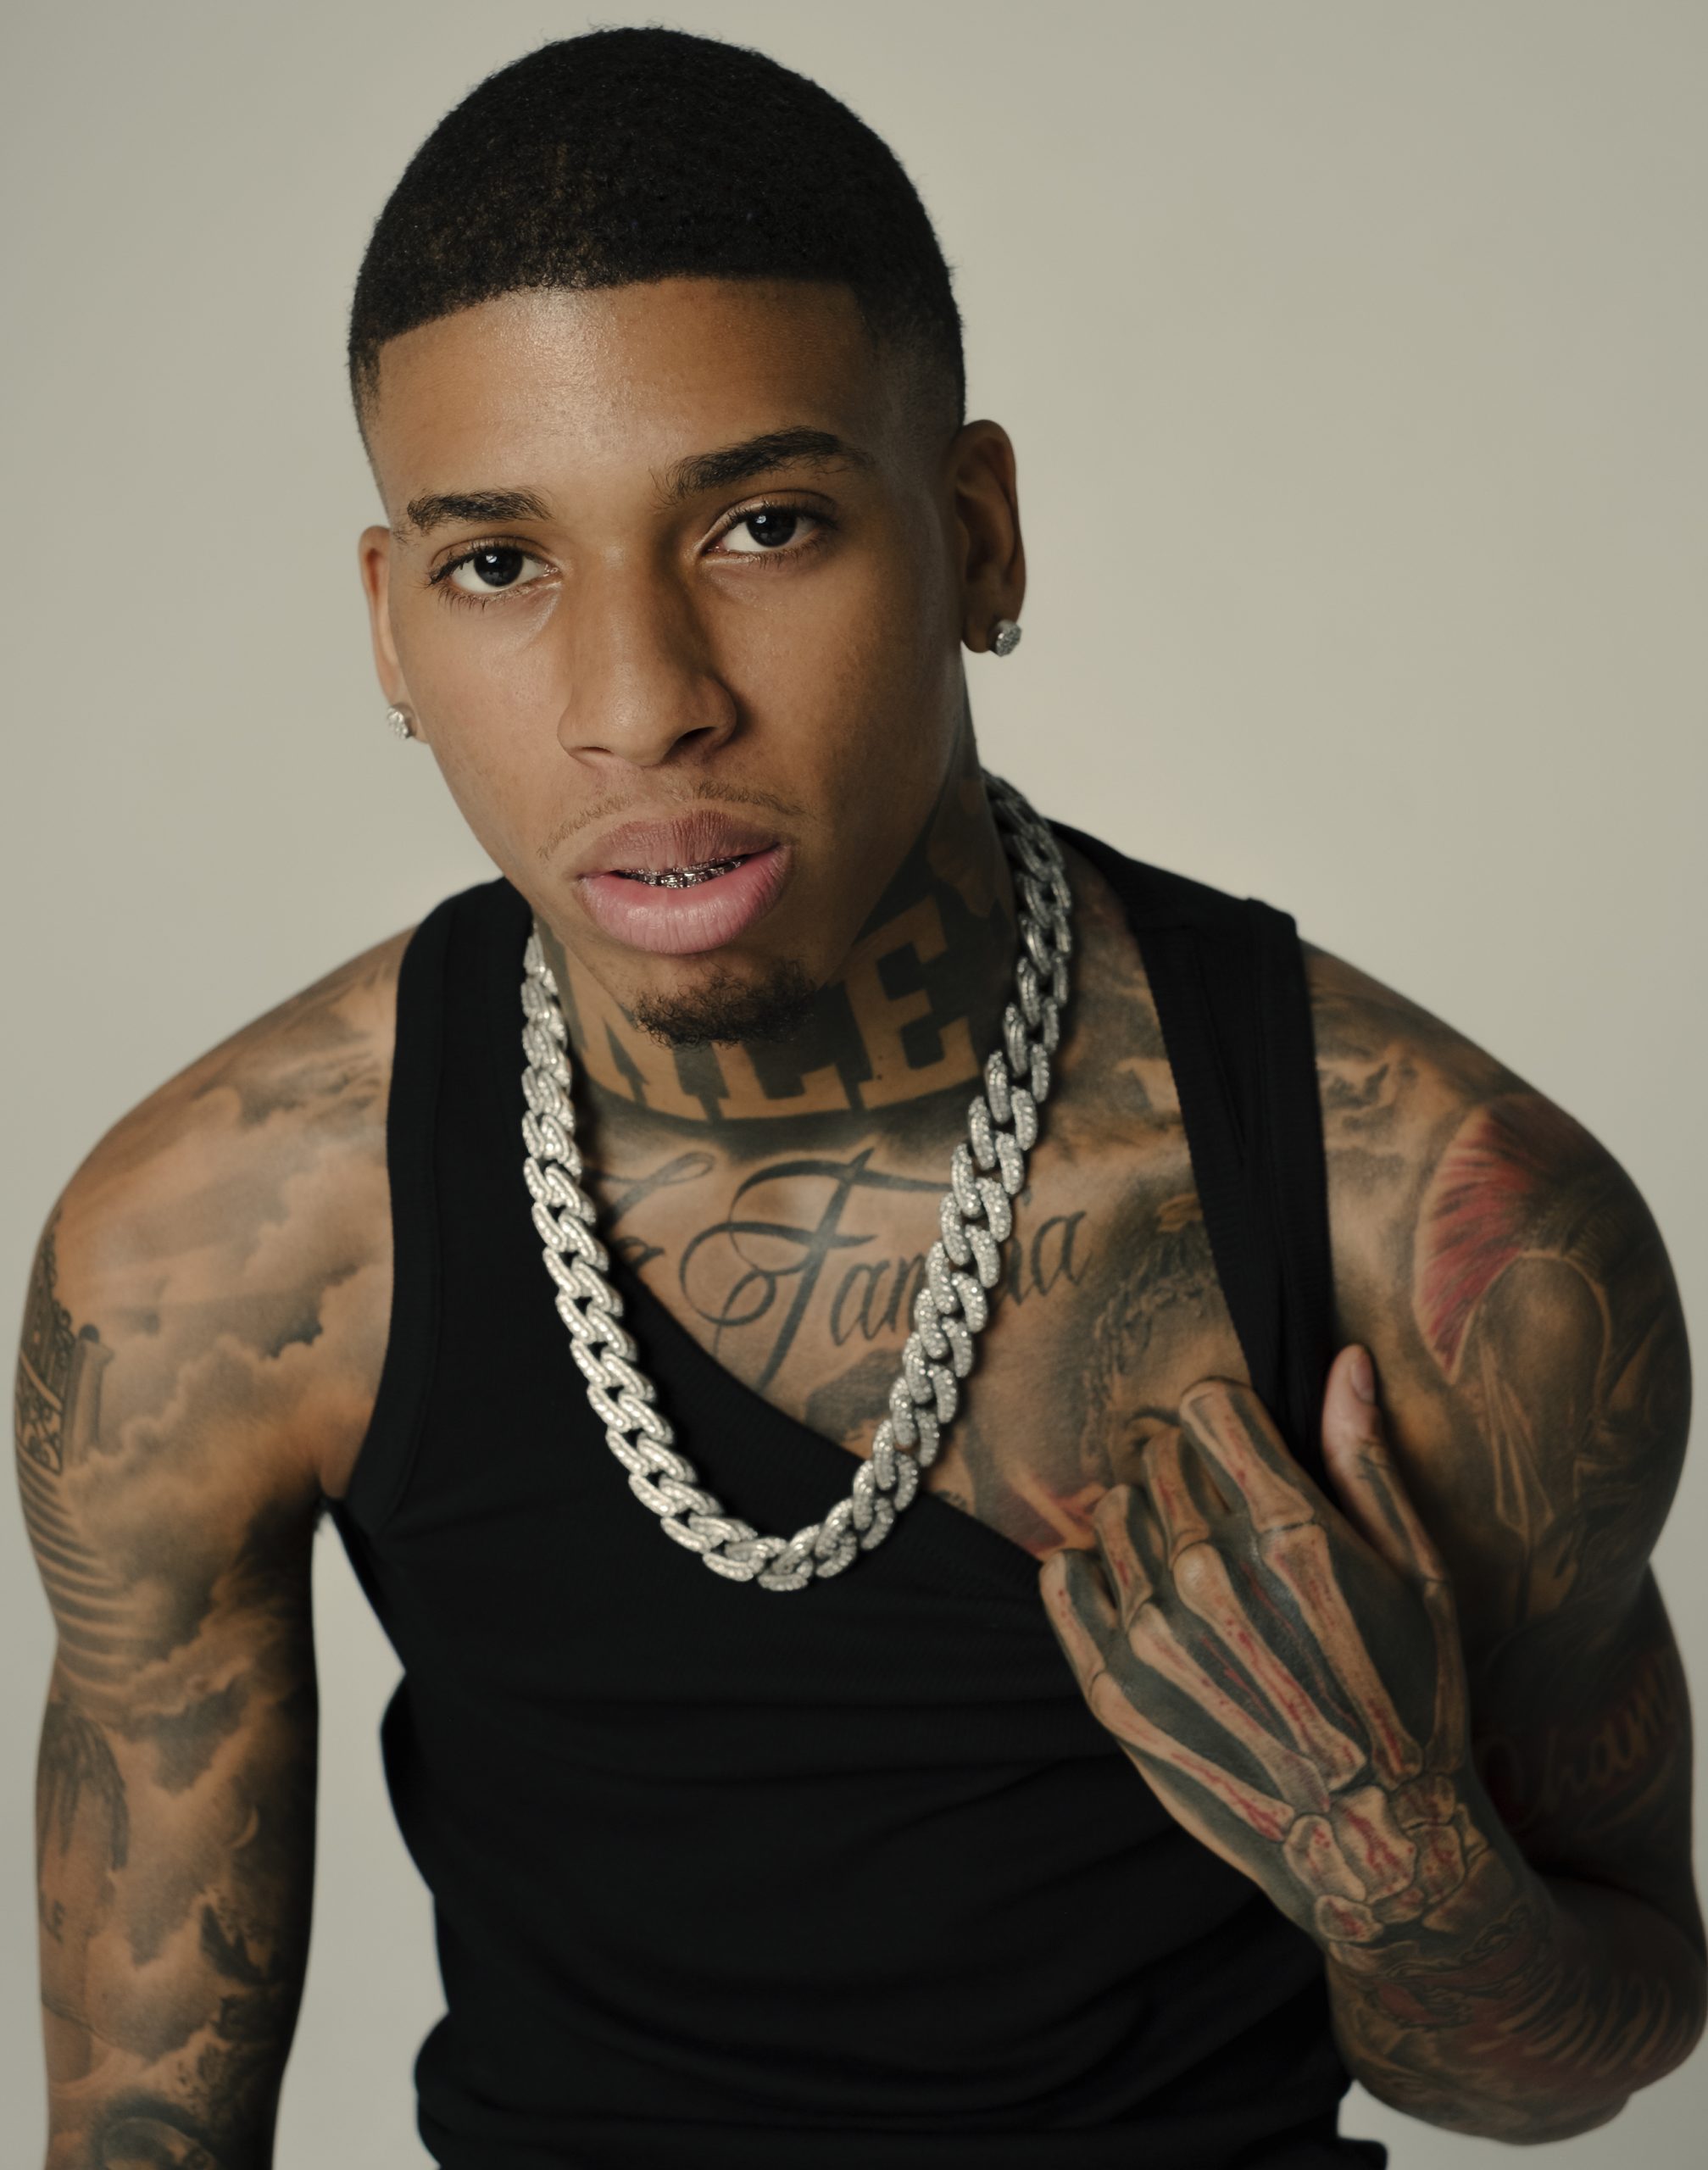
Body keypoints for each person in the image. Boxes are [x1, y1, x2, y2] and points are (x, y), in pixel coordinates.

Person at [16, 25, 1701, 2169]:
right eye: (500, 563)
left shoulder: (1445, 1225)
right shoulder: (209, 1264)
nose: (639, 704)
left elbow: (1573, 2059)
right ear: (388, 624)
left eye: (766, 523)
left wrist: (1401, 1860)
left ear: (975, 536)